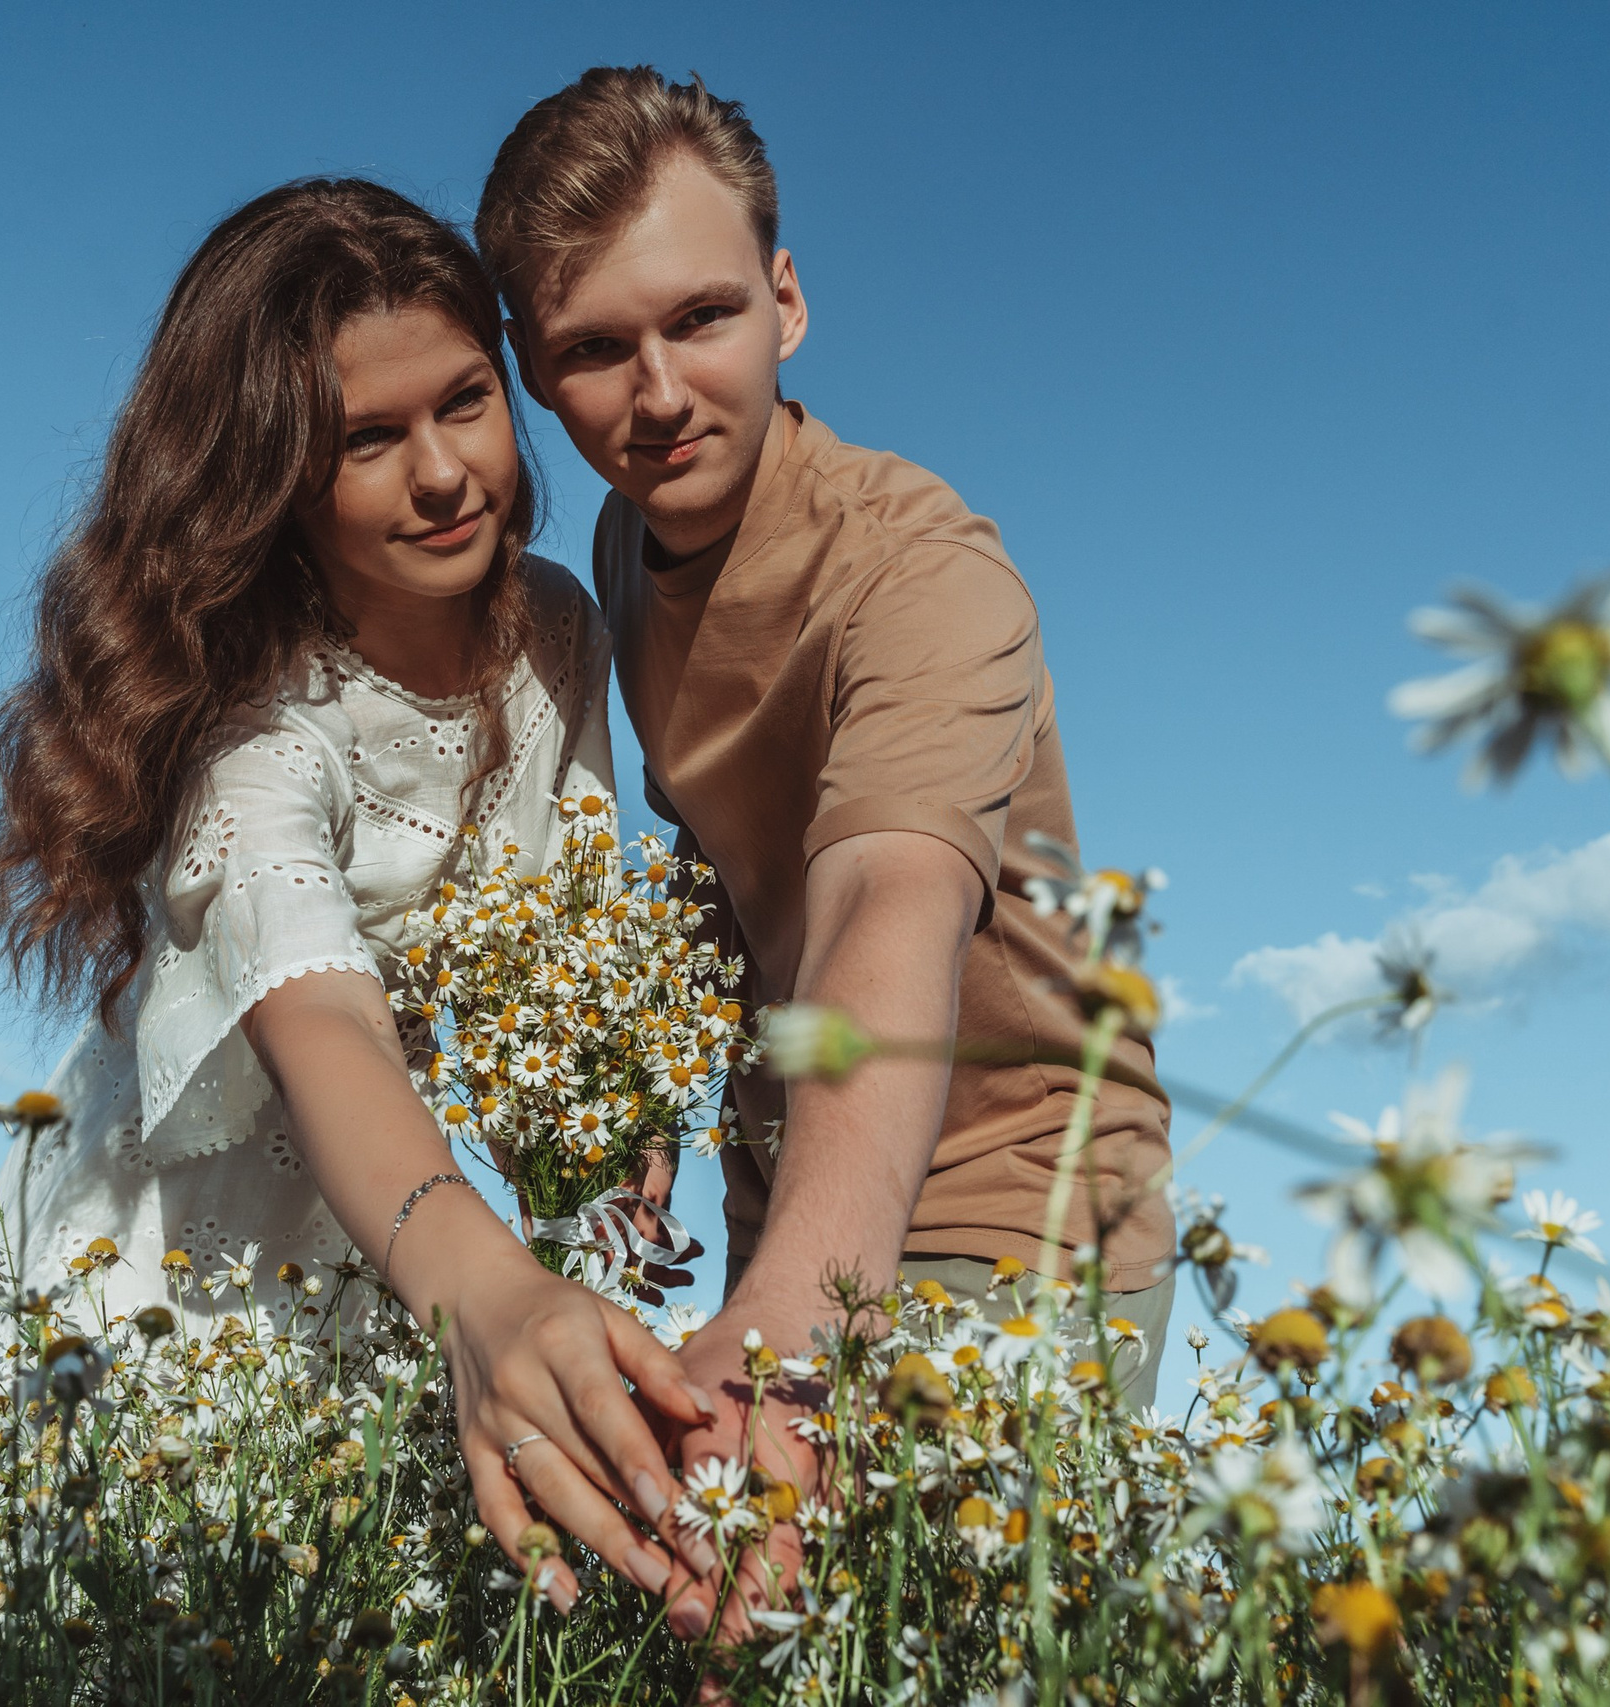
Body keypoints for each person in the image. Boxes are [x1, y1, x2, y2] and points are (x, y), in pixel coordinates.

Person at [0, 178, 711, 1614]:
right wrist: (485, 1286)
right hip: (179, 1274)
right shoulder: (251, 737)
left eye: (465, 402)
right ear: (270, 476)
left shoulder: (557, 627)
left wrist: (620, 1131)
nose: (442, 473)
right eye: (367, 439)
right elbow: (327, 1029)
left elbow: (593, 913)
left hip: (405, 1245)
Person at [476, 68, 1180, 1638]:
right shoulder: (625, 548)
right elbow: (730, 845)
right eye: (595, 350)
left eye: (704, 318)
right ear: (533, 366)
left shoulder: (925, 578)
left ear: (787, 302)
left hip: (1018, 1196)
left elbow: (885, 909)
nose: (659, 394)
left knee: (928, 1644)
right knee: (718, 1635)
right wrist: (646, 1059)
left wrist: (791, 1328)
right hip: (795, 1202)